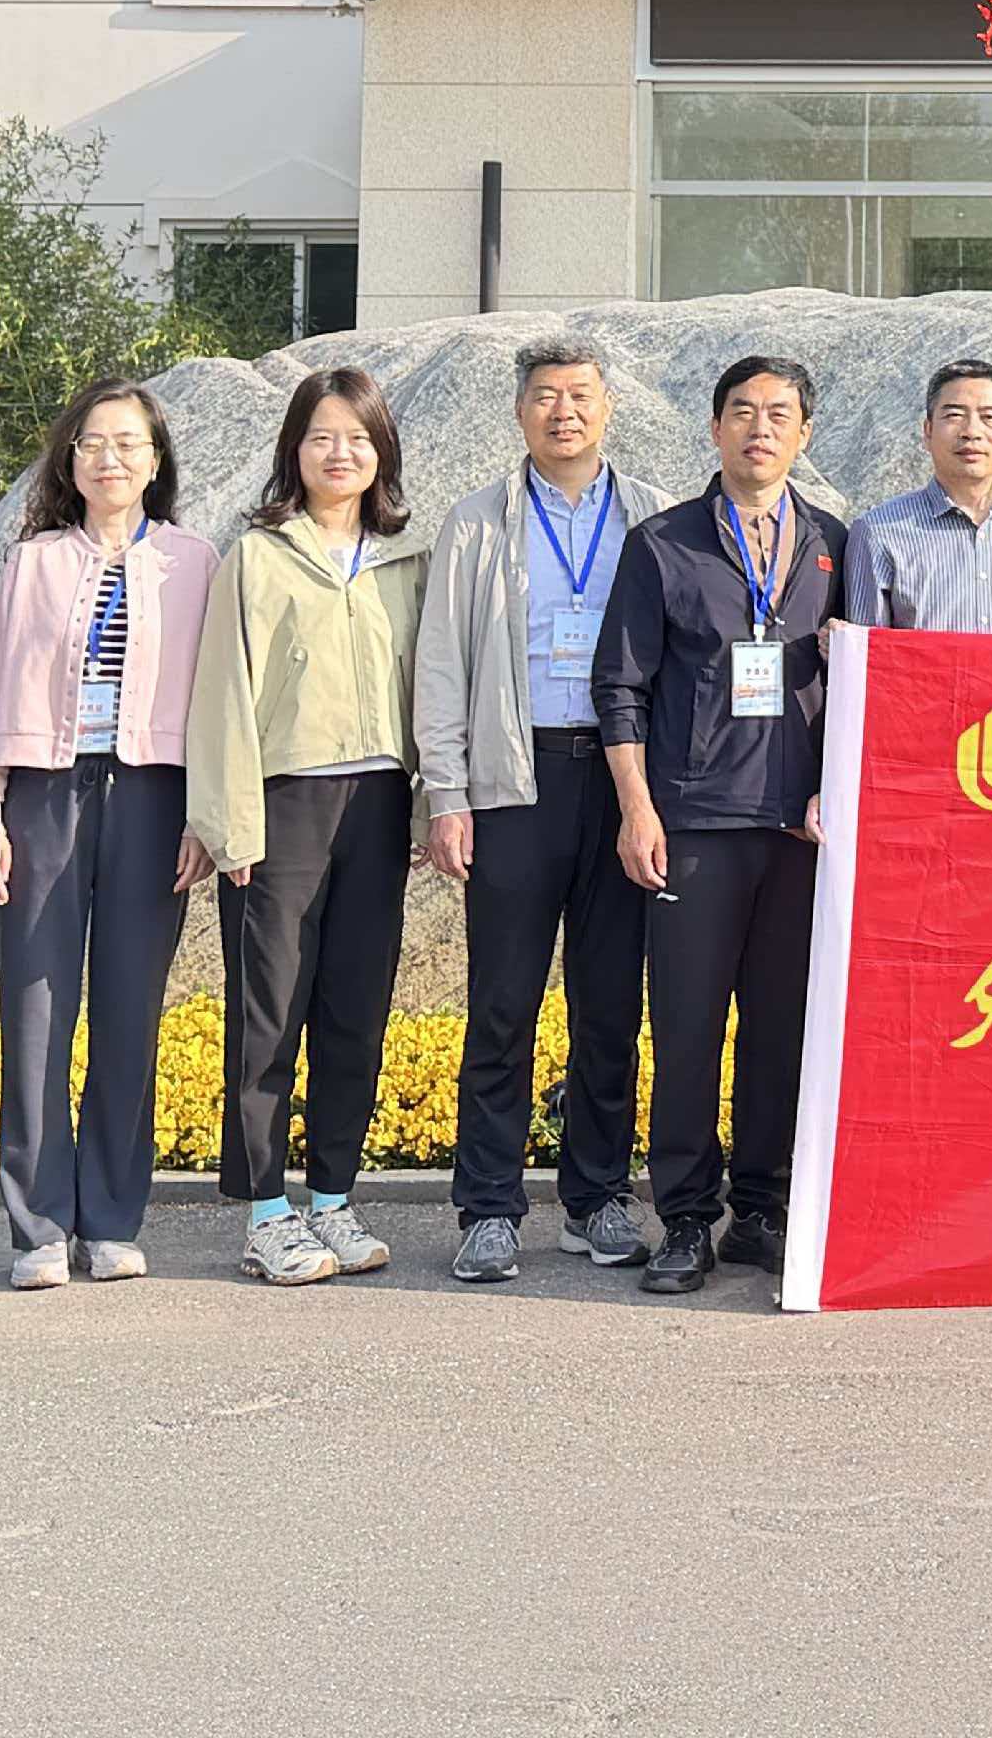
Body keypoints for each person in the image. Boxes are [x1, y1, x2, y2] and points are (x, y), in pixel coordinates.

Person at [415, 339, 671, 1285]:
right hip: (514, 780)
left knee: (611, 1005)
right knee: (502, 1005)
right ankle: (488, 1208)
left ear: (609, 408)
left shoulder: (652, 516)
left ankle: (597, 1197)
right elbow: (441, 660)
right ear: (520, 411)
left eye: (581, 395)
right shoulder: (478, 521)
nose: (565, 412)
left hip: (623, 782)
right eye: (546, 396)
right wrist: (448, 793)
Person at [0, 379, 218, 1289]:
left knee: (129, 1012)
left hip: (154, 798)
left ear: (156, 461)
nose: (110, 458)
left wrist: (205, 816)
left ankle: (109, 1218)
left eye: (129, 443)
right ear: (69, 461)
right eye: (93, 443)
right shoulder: (33, 562)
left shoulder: (195, 562)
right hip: (43, 797)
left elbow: (218, 700)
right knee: (35, 1010)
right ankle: (37, 1227)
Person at [595, 353, 847, 1296]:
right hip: (693, 824)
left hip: (797, 831)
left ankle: (763, 1209)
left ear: (804, 434)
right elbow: (620, 687)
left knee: (780, 1028)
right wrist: (637, 808)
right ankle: (687, 1218)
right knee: (690, 1027)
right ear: (714, 428)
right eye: (742, 411)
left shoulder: (833, 543)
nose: (760, 428)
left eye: (780, 413)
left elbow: (861, 685)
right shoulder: (663, 543)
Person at [188, 368, 430, 1289]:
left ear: (382, 453)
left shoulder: (403, 561)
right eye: (322, 436)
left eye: (359, 438)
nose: (341, 454)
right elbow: (223, 694)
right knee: (269, 1013)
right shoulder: (257, 558)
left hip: (377, 805)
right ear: (295, 450)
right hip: (281, 808)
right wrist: (230, 826)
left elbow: (427, 692)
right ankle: (264, 1213)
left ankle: (332, 1198)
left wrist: (425, 806)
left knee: (355, 1012)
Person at [843, 359, 992, 633]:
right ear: (927, 431)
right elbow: (865, 650)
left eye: (989, 417)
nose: (972, 432)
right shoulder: (878, 531)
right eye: (954, 415)